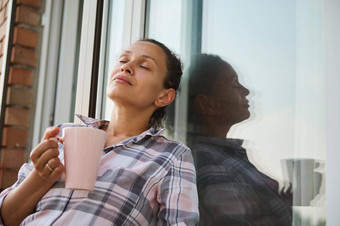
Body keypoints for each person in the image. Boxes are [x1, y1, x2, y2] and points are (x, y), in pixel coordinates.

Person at [0, 39, 199, 225]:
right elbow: (7, 217)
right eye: (123, 59)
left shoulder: (172, 156)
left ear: (164, 96)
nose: (126, 67)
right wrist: (41, 176)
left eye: (144, 66)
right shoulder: (64, 133)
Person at [187, 54, 292, 226]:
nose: (246, 91)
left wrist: (284, 200)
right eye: (234, 84)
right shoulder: (206, 159)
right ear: (207, 105)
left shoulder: (222, 156)